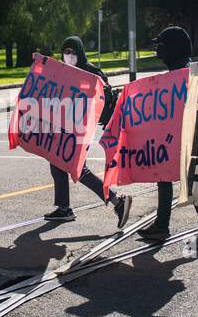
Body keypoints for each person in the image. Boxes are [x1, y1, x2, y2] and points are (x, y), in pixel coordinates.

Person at [137, 26, 198, 246]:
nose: (158, 50)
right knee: (167, 177)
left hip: (190, 140)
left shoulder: (190, 74)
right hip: (176, 139)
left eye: (161, 46)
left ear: (173, 50)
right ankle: (166, 226)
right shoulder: (177, 75)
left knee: (189, 182)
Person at [44, 35, 133, 228]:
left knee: (79, 169)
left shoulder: (92, 73)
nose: (68, 56)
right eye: (65, 52)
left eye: (72, 52)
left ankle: (118, 202)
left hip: (80, 129)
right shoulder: (63, 71)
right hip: (64, 126)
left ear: (80, 53)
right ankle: (64, 208)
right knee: (57, 163)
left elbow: (103, 95)